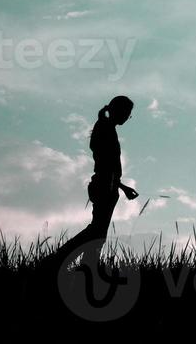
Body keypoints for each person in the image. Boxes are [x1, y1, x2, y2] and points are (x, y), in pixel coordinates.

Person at [51, 95, 138, 270]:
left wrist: (122, 186)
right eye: (126, 113)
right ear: (118, 110)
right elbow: (106, 164)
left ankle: (87, 266)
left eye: (129, 114)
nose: (127, 117)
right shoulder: (105, 129)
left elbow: (107, 166)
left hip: (107, 183)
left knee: (99, 231)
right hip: (105, 185)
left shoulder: (106, 127)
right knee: (96, 231)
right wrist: (116, 184)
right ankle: (57, 260)